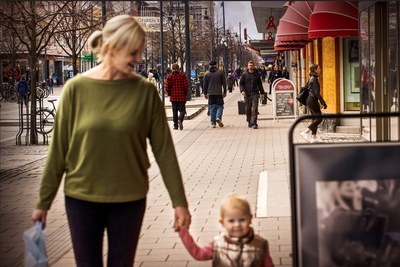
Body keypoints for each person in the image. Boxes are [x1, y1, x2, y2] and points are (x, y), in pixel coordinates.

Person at [30, 15, 191, 266]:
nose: (138, 59)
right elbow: (58, 151)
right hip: (82, 198)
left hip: (129, 198)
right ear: (113, 46)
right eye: (133, 52)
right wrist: (43, 203)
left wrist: (179, 203)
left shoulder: (144, 91)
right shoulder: (76, 89)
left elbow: (164, 151)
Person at [179, 194, 274, 266]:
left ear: (250, 218)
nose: (237, 225)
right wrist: (184, 233)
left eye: (242, 220)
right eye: (231, 221)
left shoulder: (260, 244)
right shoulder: (218, 244)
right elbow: (198, 254)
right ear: (222, 223)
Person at [300, 64, 327, 143]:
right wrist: (323, 102)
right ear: (315, 70)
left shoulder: (312, 78)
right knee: (319, 118)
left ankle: (314, 137)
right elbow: (317, 93)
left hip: (311, 100)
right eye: (319, 68)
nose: (320, 69)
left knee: (315, 118)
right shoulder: (314, 79)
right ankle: (305, 132)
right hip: (312, 100)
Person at [240, 61, 265, 129]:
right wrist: (242, 91)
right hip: (247, 94)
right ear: (247, 66)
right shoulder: (244, 75)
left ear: (254, 66)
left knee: (255, 108)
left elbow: (260, 84)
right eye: (249, 65)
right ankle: (249, 121)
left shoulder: (257, 74)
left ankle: (254, 122)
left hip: (255, 94)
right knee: (247, 109)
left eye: (252, 65)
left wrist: (262, 93)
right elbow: (241, 84)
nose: (251, 66)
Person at [165, 63, 189, 130]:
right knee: (182, 110)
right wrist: (185, 93)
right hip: (181, 96)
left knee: (174, 111)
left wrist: (169, 93)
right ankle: (180, 119)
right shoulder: (182, 75)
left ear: (172, 69)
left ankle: (175, 125)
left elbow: (167, 87)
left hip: (173, 97)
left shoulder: (169, 77)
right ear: (178, 68)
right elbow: (186, 86)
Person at [203, 60, 227, 128]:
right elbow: (224, 83)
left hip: (210, 93)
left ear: (210, 65)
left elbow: (205, 85)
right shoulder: (220, 73)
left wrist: (205, 93)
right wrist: (225, 91)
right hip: (219, 92)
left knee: (212, 107)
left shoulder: (207, 74)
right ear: (216, 65)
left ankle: (213, 123)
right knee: (220, 106)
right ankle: (218, 117)